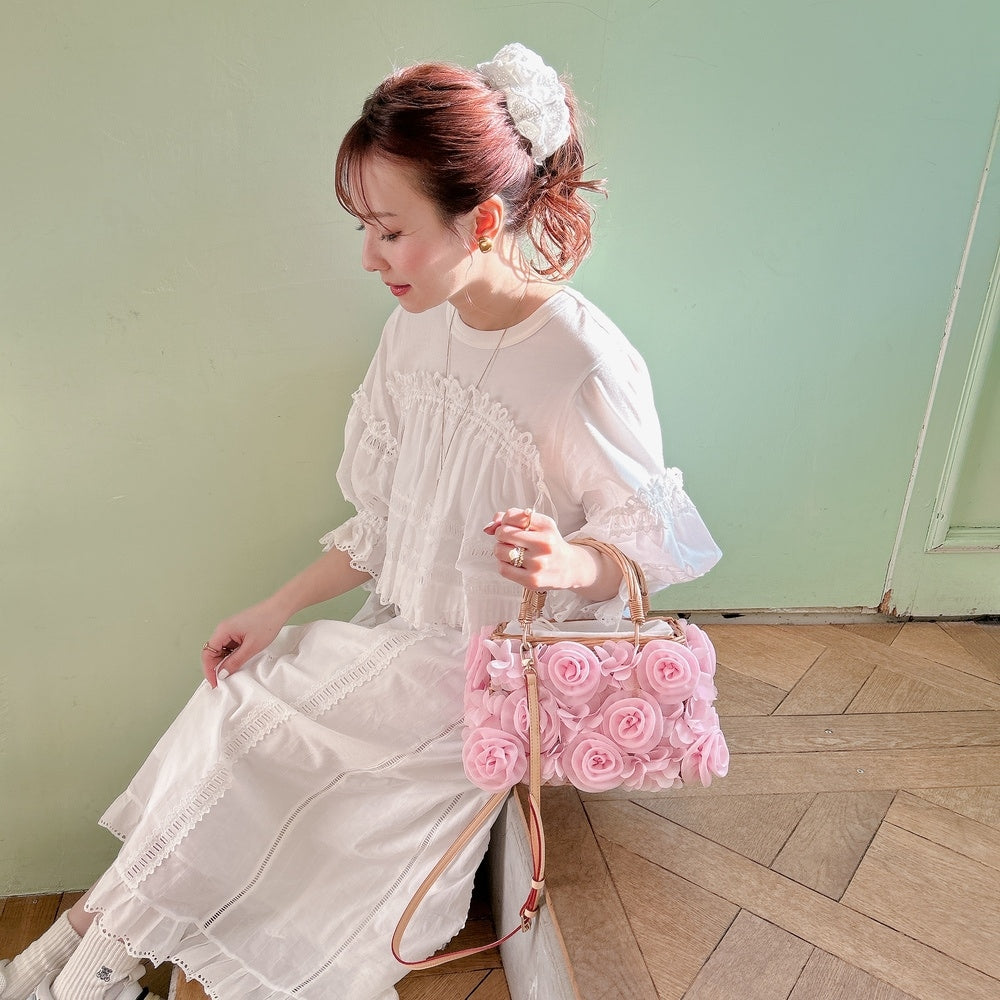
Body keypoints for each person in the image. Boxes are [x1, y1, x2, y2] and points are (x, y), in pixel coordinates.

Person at [0, 42, 721, 1000]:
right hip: (402, 640)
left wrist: (566, 561)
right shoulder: (414, 326)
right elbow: (383, 523)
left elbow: (646, 547)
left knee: (254, 733)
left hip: (488, 678)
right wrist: (275, 608)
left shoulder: (580, 362)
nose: (370, 257)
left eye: (390, 230)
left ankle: (79, 963)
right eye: (364, 228)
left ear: (483, 220)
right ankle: (89, 958)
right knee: (240, 702)